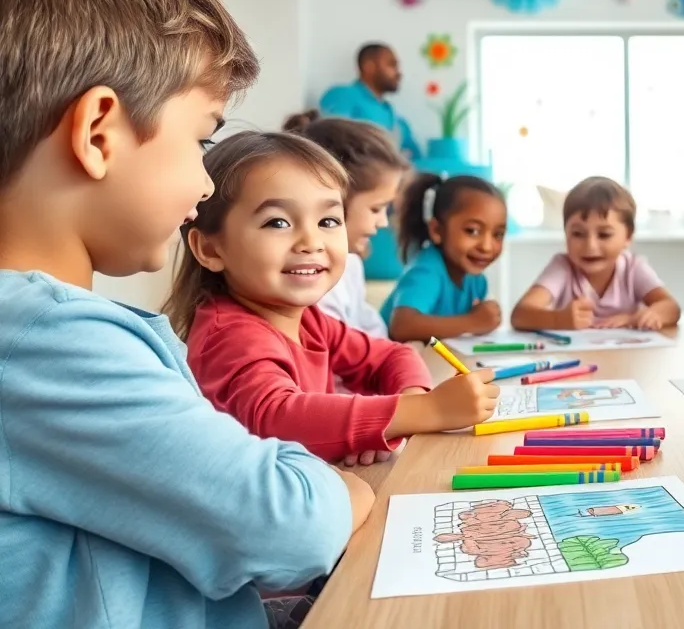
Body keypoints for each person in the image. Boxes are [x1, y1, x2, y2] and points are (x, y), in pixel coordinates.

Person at [0, 0, 370, 629]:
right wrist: (344, 492)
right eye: (200, 140)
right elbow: (291, 525)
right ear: (100, 132)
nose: (205, 183)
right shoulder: (45, 344)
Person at [168, 131, 499, 465]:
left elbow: (391, 356)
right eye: (278, 222)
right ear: (210, 248)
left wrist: (411, 405)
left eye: (327, 220)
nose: (311, 242)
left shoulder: (309, 319)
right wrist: (424, 411)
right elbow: (277, 417)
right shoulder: (231, 336)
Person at [284, 109, 408, 337]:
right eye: (376, 209)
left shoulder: (351, 265)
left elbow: (371, 329)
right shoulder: (309, 276)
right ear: (335, 202)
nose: (382, 222)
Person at [512, 176, 681, 331]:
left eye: (604, 235)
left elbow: (670, 306)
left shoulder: (633, 268)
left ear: (628, 237)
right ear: (565, 234)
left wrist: (639, 317)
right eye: (578, 234)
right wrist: (558, 319)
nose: (590, 246)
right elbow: (520, 315)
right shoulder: (562, 266)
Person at [383, 173, 508, 341]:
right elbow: (401, 326)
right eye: (472, 231)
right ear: (437, 230)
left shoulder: (476, 280)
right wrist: (473, 322)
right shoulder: (427, 271)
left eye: (498, 235)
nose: (486, 246)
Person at [319, 43, 421, 159]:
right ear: (369, 66)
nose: (398, 73)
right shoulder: (342, 95)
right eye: (391, 65)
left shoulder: (395, 117)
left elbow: (416, 157)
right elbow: (329, 142)